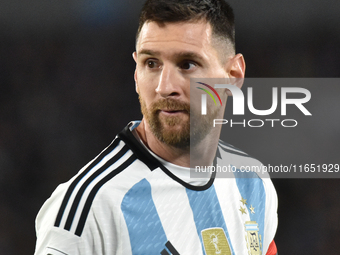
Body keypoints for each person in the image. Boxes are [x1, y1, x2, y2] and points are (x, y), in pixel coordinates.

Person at [34, 0, 278, 254]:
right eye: (151, 63)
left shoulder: (253, 181)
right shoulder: (90, 207)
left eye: (187, 64)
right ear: (136, 74)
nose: (164, 86)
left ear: (233, 75)